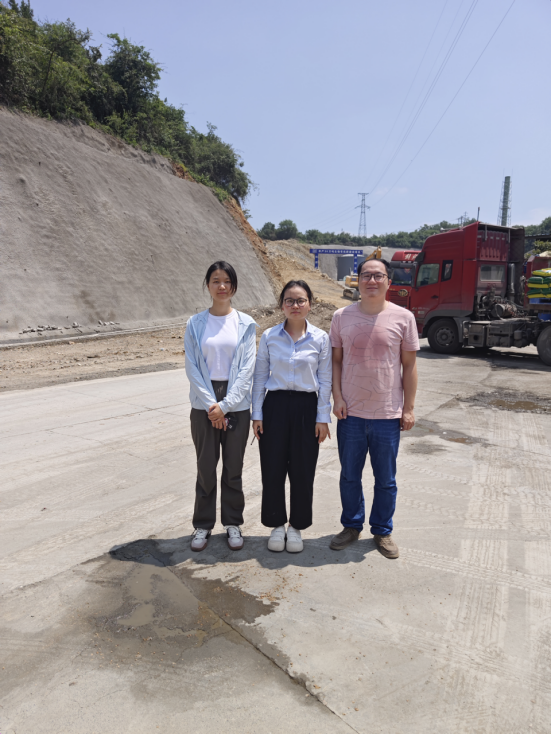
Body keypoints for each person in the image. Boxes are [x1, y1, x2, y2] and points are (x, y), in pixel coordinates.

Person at [329, 257, 419, 558]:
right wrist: (337, 398)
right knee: (349, 476)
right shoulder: (341, 317)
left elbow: (409, 366)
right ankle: (351, 526)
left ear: (388, 282)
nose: (371, 281)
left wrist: (408, 408)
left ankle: (382, 530)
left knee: (386, 480)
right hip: (351, 413)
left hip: (387, 415)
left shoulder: (404, 317)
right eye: (366, 275)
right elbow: (336, 361)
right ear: (358, 281)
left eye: (378, 276)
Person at [252, 280, 332, 553]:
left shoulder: (320, 338)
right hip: (274, 406)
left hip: (306, 408)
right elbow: (260, 377)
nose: (295, 305)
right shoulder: (269, 336)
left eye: (301, 300)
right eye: (289, 300)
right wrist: (257, 414)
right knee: (272, 467)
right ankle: (276, 524)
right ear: (282, 305)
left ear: (310, 303)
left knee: (303, 469)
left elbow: (325, 380)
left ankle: (297, 526)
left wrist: (322, 418)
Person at [184, 261, 257, 552]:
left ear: (234, 286)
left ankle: (233, 523)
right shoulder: (195, 323)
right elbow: (192, 366)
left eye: (227, 281)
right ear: (208, 285)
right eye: (216, 280)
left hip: (236, 402)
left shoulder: (246, 323)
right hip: (203, 400)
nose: (222, 286)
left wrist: (225, 406)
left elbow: (247, 369)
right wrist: (211, 405)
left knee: (233, 467)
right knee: (205, 467)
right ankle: (202, 524)